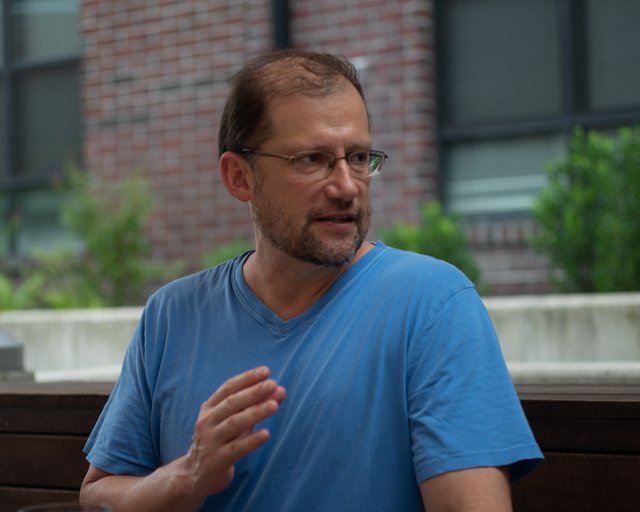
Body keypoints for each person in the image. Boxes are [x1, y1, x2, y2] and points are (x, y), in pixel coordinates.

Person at [80, 49, 542, 511]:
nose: (346, 186)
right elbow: (97, 495)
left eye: (358, 158)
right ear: (239, 177)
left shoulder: (433, 303)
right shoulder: (171, 316)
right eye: (312, 159)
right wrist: (187, 476)